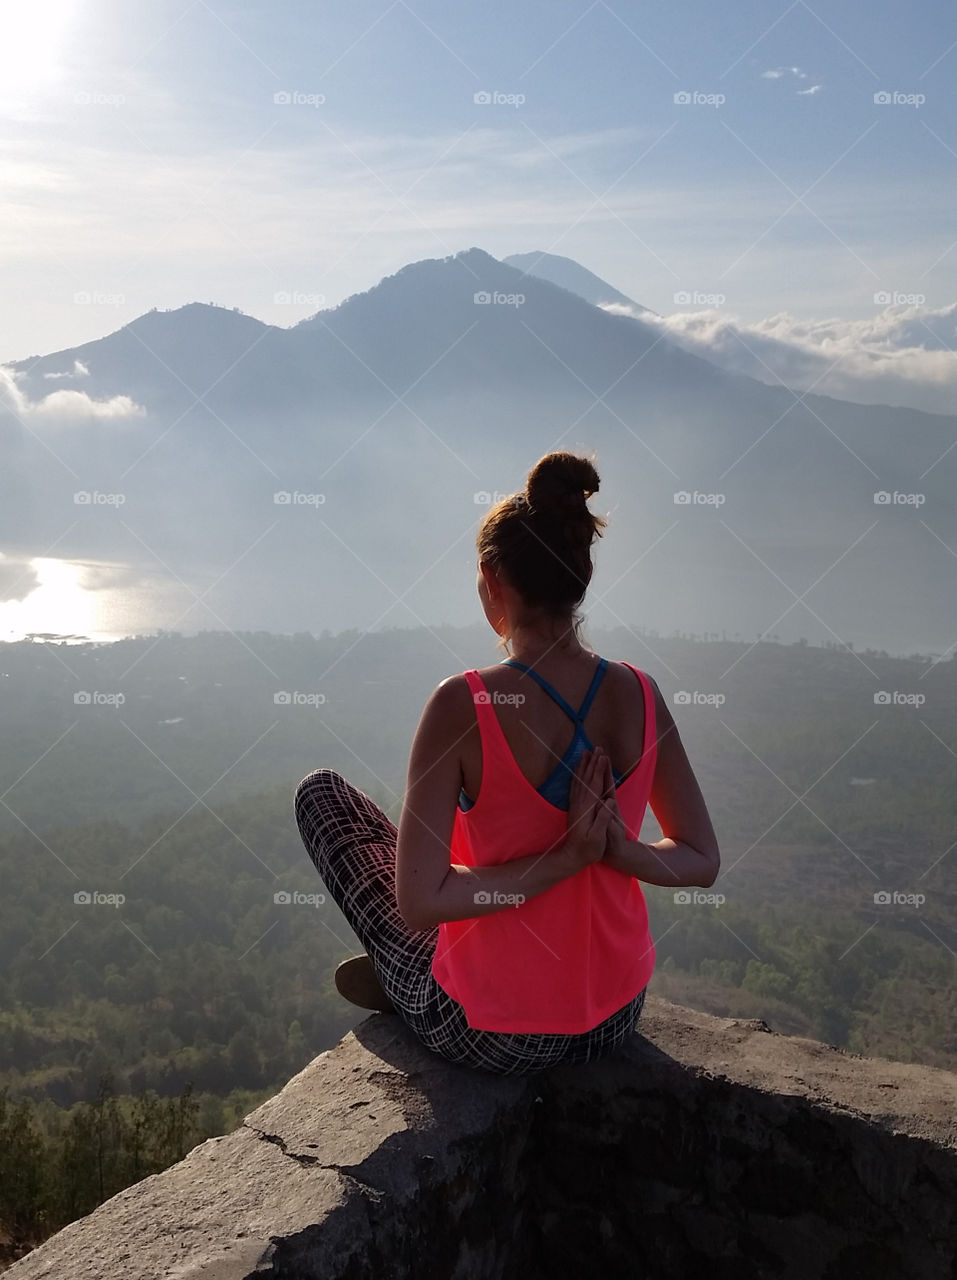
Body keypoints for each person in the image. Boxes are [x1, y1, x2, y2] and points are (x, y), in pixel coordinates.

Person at [294, 450, 719, 1075]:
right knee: (426, 864)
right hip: (614, 1017)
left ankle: (409, 985)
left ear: (492, 580)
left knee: (323, 797)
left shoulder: (463, 703)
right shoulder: (641, 693)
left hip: (493, 1034)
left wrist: (566, 858)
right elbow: (702, 859)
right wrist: (617, 851)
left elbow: (421, 903)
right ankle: (414, 974)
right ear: (582, 573)